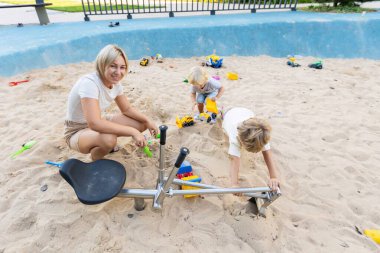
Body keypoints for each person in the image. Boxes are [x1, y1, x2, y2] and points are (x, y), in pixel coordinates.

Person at [64, 44, 158, 161]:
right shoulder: (89, 83)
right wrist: (132, 132)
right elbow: (94, 124)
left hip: (100, 121)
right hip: (77, 131)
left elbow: (127, 109)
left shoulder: (115, 83)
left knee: (142, 122)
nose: (118, 72)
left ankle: (104, 145)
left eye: (122, 67)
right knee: (109, 139)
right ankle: (96, 158)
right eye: (113, 66)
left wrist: (147, 120)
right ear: (102, 64)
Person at [222, 107, 280, 191]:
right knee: (224, 116)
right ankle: (222, 111)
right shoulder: (234, 136)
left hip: (245, 111)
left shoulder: (262, 133)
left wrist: (274, 177)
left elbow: (267, 153)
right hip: (229, 115)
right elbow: (234, 161)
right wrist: (234, 184)